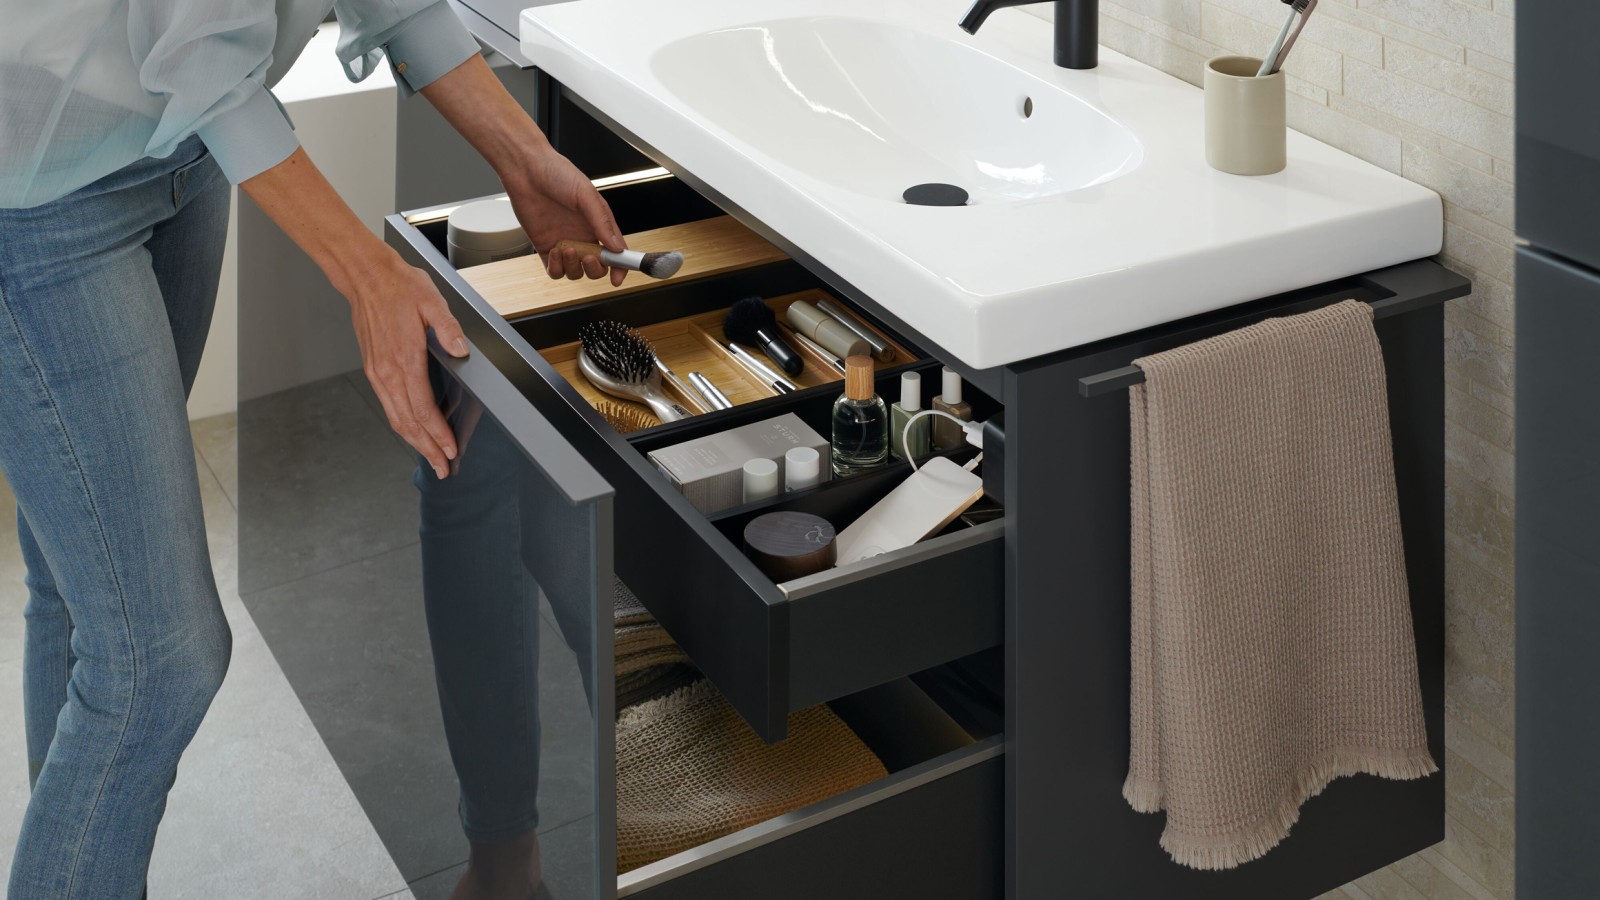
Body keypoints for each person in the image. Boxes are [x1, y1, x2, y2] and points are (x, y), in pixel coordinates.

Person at [0, 2, 625, 896]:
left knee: (81, 582)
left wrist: (525, 157)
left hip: (183, 150)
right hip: (40, 183)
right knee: (157, 661)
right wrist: (369, 277)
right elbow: (201, 50)